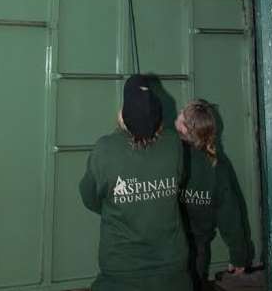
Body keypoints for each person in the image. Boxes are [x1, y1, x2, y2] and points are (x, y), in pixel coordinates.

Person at [79, 74, 193, 291]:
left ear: (123, 114)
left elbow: (89, 198)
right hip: (174, 272)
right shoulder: (174, 145)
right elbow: (179, 181)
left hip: (121, 272)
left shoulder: (106, 149)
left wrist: (123, 206)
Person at [175, 100, 248, 290]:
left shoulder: (169, 154)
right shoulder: (218, 165)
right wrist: (238, 255)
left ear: (184, 127)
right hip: (199, 248)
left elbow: (229, 212)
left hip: (170, 246)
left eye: (181, 112)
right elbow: (230, 213)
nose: (178, 112)